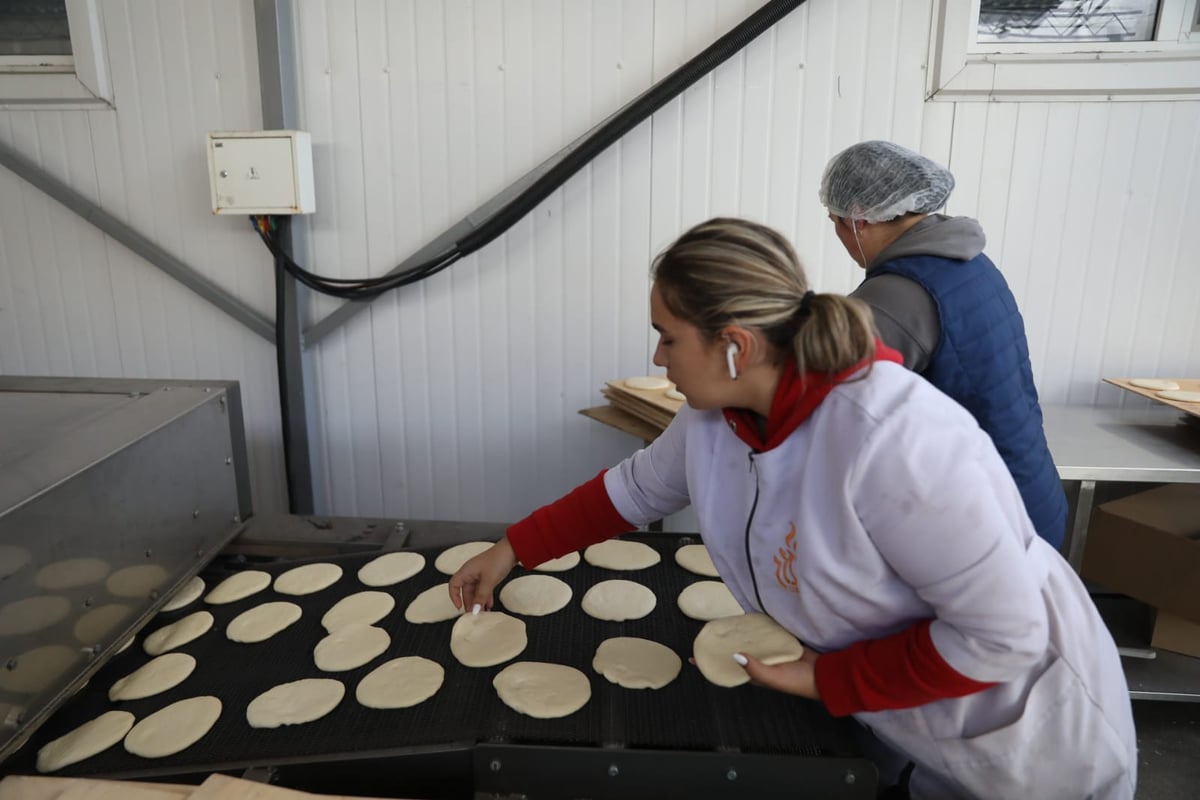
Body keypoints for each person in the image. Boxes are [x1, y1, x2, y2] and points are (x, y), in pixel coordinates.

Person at [450, 217, 1136, 799]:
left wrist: (824, 676)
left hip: (1021, 743)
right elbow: (632, 490)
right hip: (902, 723)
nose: (658, 357)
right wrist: (513, 549)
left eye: (667, 336)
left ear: (734, 345)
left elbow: (1002, 637)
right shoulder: (716, 418)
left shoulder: (894, 440)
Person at [819, 141, 1068, 550]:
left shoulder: (897, 295)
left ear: (859, 219)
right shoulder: (968, 263)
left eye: (836, 221)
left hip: (985, 525)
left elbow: (818, 398)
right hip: (1029, 492)